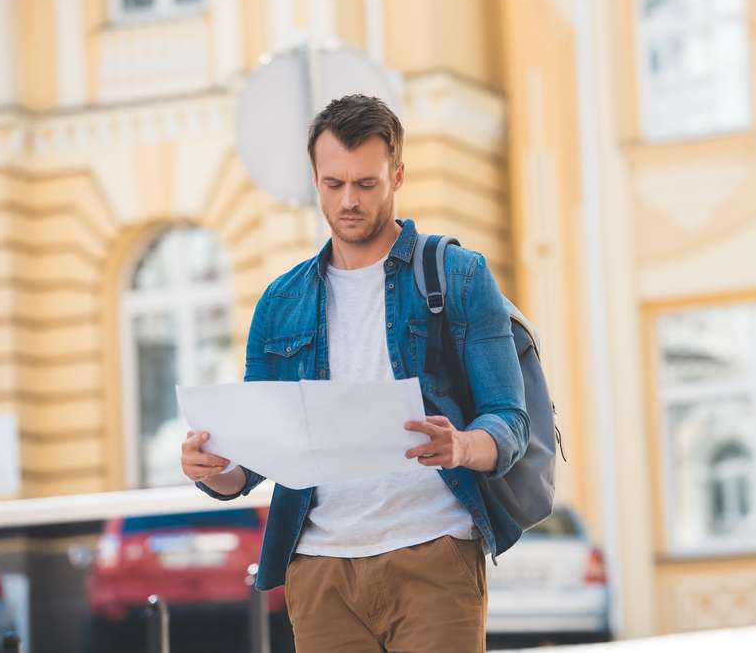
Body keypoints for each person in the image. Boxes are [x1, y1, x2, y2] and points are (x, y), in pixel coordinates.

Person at [179, 94, 529, 652]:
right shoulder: (280, 302)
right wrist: (210, 469)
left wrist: (461, 445)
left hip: (434, 554)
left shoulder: (459, 276)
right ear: (315, 179)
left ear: (397, 176)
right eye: (333, 184)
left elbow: (511, 421)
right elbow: (250, 464)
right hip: (320, 572)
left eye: (366, 184)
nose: (349, 201)